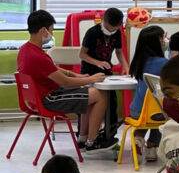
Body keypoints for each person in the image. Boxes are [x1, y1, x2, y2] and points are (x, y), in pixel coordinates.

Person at [18, 10, 116, 154]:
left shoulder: (26, 49)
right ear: (43, 30)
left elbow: (54, 69)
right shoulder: (36, 56)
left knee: (90, 94)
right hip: (49, 99)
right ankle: (91, 142)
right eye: (51, 30)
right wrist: (91, 79)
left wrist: (78, 76)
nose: (51, 34)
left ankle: (83, 139)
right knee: (100, 95)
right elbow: (65, 82)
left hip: (39, 97)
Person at [80, 8, 129, 140]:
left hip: (106, 73)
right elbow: (82, 54)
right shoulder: (92, 33)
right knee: (88, 104)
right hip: (88, 73)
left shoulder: (117, 32)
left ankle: (109, 136)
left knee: (111, 103)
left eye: (114, 29)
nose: (111, 32)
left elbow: (119, 52)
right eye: (109, 29)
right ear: (103, 21)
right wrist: (97, 62)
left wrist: (125, 65)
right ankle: (84, 136)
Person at [129, 26, 168, 162]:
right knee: (161, 112)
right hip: (157, 113)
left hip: (136, 111)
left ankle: (138, 138)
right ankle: (152, 148)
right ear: (157, 42)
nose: (165, 40)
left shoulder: (138, 62)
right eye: (163, 38)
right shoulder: (164, 63)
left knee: (148, 118)